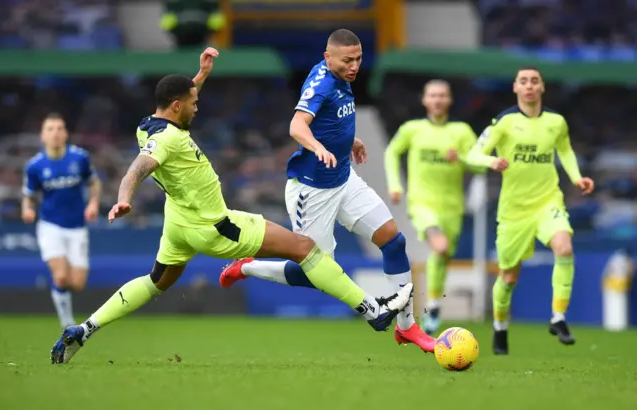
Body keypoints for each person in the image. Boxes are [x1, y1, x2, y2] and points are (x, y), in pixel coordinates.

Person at [50, 48, 413, 365]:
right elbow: (139, 167)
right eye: (193, 102)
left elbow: (169, 117)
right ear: (177, 107)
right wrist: (124, 198)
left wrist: (201, 76)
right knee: (306, 249)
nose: (198, 105)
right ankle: (374, 311)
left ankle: (85, 328)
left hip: (178, 223)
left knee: (156, 281)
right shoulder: (167, 139)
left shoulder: (149, 125)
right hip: (216, 226)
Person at [218, 29, 435, 353]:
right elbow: (297, 125)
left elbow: (333, 119)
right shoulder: (321, 83)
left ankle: (407, 328)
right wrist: (318, 148)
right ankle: (247, 266)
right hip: (312, 191)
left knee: (393, 240)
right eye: (347, 60)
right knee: (311, 272)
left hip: (343, 179)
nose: (354, 66)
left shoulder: (340, 77)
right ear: (327, 57)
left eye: (359, 58)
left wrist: (350, 141)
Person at [465, 66, 595, 355]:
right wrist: (491, 163)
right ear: (515, 87)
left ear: (542, 87)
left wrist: (576, 178)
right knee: (509, 277)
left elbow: (566, 151)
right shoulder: (503, 122)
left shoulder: (556, 122)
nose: (529, 86)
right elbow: (473, 154)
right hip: (514, 211)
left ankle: (558, 318)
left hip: (548, 201)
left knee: (564, 247)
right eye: (523, 81)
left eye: (534, 81)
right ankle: (499, 327)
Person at [384, 80, 485, 335]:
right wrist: (395, 184)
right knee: (438, 244)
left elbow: (481, 165)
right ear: (425, 100)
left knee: (441, 256)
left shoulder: (461, 131)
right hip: (421, 202)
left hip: (452, 207)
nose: (437, 99)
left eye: (442, 95)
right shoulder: (413, 129)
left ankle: (433, 306)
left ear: (449, 100)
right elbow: (392, 152)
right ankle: (429, 305)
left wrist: (460, 158)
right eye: (433, 95)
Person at [22, 113, 101, 329]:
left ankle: (65, 306)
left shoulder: (80, 158)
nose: (55, 133)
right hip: (50, 226)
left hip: (77, 227)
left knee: (77, 283)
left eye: (59, 128)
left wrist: (93, 204)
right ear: (42, 136)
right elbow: (28, 195)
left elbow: (94, 183)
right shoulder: (35, 166)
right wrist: (28, 210)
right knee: (61, 276)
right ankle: (67, 322)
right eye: (50, 129)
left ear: (66, 133)